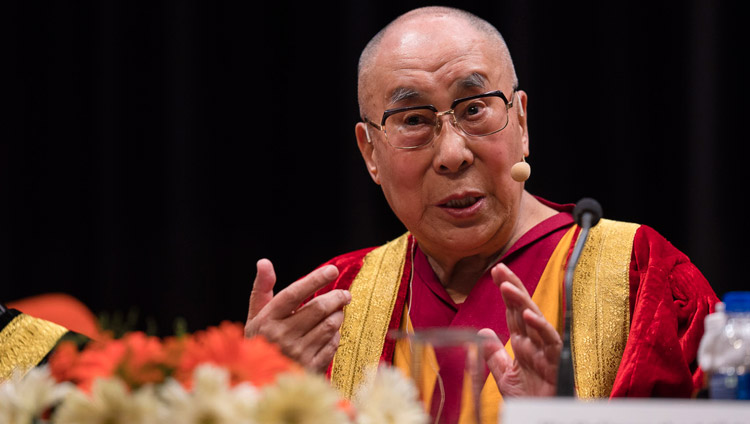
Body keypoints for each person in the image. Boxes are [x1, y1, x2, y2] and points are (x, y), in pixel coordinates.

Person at [244, 6, 719, 423]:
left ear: (522, 122)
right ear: (370, 153)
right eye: (412, 120)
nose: (452, 153)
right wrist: (252, 396)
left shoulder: (645, 279)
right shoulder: (329, 309)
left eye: (475, 109)